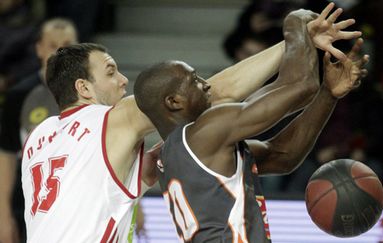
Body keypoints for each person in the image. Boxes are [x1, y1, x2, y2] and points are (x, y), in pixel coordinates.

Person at [19, 18, 302, 241]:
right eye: (110, 72)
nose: (122, 79)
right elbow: (217, 92)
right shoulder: (110, 119)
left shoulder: (39, 137)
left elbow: (103, 189)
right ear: (84, 88)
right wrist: (295, 42)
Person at [133, 5, 367, 242]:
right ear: (174, 101)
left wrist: (328, 94)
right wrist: (297, 20)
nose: (206, 84)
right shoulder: (205, 131)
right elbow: (300, 86)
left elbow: (282, 155)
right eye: (194, 80)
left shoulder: (177, 152)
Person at [0, 18, 77, 243]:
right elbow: (6, 154)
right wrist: (3, 215)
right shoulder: (19, 95)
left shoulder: (92, 94)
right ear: (39, 48)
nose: (60, 51)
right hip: (30, 202)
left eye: (67, 44)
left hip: (77, 202)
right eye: (53, 45)